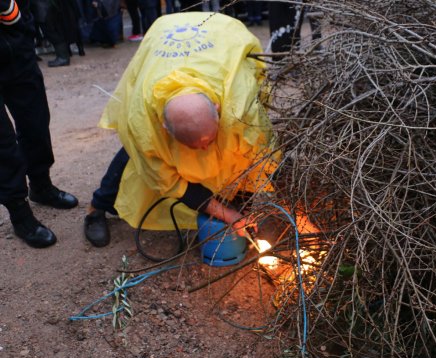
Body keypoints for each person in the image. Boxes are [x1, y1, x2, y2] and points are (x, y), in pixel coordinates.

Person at [84, 12, 279, 247]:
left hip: (221, 32)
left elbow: (260, 157)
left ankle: (235, 199)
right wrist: (227, 215)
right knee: (134, 153)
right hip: (162, 38)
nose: (205, 149)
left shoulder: (240, 108)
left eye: (209, 140)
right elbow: (172, 183)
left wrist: (242, 206)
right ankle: (96, 207)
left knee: (240, 148)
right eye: (195, 146)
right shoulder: (143, 122)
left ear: (218, 109)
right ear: (164, 127)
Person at [1, 0, 79, 248]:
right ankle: (19, 212)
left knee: (36, 124)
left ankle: (41, 185)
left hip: (18, 52)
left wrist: (25, 27)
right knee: (3, 144)